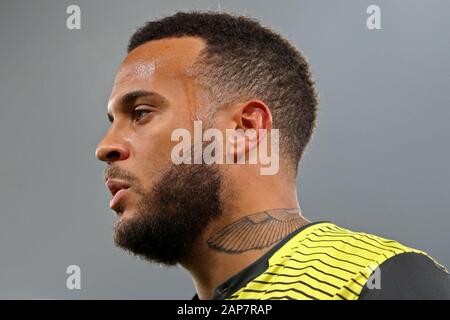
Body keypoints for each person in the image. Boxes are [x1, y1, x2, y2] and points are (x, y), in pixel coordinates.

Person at [95, 11, 450, 300]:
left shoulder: (378, 281)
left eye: (140, 113)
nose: (105, 147)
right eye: (113, 121)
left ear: (245, 129)